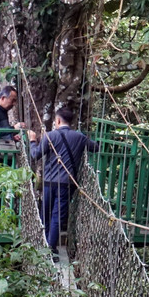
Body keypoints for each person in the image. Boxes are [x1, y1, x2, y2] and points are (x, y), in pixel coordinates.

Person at [28, 105, 98, 259]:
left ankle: (44, 246)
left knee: (45, 215)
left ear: (57, 121)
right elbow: (96, 147)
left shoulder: (50, 136)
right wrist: (85, 136)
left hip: (49, 183)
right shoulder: (79, 137)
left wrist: (32, 141)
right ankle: (50, 249)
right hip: (67, 184)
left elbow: (35, 155)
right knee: (57, 216)